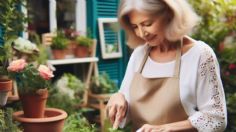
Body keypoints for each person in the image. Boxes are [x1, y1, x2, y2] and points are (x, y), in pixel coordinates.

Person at [106, 0, 227, 132]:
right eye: (135, 26)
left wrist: (166, 128)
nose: (141, 33)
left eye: (147, 24)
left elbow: (216, 119)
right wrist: (117, 97)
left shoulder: (200, 54)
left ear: (169, 14)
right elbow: (125, 104)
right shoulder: (139, 54)